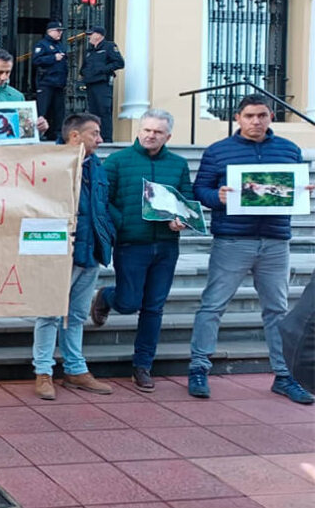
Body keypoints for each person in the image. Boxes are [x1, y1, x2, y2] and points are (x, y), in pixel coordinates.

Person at [187, 95, 315, 403]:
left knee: (276, 310)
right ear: (238, 118)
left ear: (270, 116)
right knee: (213, 305)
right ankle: (199, 368)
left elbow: (293, 186)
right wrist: (215, 196)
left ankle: (285, 376)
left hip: (275, 240)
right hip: (232, 240)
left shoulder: (288, 150)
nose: (256, 121)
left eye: (261, 115)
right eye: (249, 116)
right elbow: (199, 190)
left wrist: (302, 190)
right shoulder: (218, 152)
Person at [90, 109, 191, 392]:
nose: (150, 135)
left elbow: (187, 199)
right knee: (129, 302)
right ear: (139, 130)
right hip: (131, 243)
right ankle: (107, 297)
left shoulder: (179, 164)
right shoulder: (119, 161)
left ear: (168, 136)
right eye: (147, 130)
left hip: (167, 246)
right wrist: (121, 222)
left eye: (157, 132)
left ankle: (142, 365)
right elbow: (102, 197)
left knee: (153, 307)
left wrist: (182, 219)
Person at [32, 113, 115, 399]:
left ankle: (75, 369)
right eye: (94, 133)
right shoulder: (50, 164)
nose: (100, 139)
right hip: (59, 253)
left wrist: (109, 233)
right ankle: (43, 372)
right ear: (75, 136)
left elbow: (102, 207)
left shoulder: (97, 166)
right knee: (49, 314)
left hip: (91, 252)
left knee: (77, 315)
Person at [80, 26, 125, 143]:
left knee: (104, 110)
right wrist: (84, 73)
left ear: (99, 35)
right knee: (93, 112)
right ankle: (95, 137)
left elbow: (119, 63)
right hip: (91, 84)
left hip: (102, 84)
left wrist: (103, 70)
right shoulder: (89, 51)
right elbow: (84, 67)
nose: (89, 37)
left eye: (91, 34)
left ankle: (106, 138)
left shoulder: (109, 47)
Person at [31, 21, 69, 142]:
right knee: (43, 109)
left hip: (59, 83)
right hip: (46, 82)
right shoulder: (42, 45)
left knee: (58, 110)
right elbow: (36, 60)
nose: (60, 33)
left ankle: (56, 133)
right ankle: (40, 133)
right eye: (58, 30)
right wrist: (53, 58)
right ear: (50, 31)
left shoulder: (60, 45)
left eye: (61, 31)